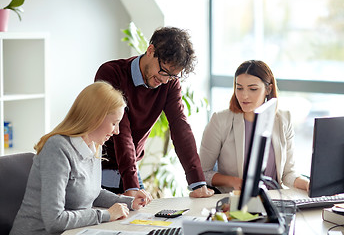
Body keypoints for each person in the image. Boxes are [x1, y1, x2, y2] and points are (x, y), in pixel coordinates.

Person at [10, 81, 151, 235]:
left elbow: (93, 192)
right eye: (114, 123)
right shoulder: (57, 148)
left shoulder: (94, 145)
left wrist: (129, 202)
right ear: (95, 118)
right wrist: (106, 215)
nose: (117, 131)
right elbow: (55, 221)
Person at [95, 26, 214, 198]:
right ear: (151, 50)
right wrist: (132, 186)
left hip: (131, 172)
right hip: (101, 171)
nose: (165, 80)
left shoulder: (169, 83)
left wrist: (197, 182)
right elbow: (122, 132)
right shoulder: (112, 73)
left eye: (172, 76)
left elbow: (180, 127)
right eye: (164, 71)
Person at [199, 60, 310, 194]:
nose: (244, 95)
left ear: (268, 89)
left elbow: (288, 174)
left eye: (253, 89)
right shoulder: (220, 120)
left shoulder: (283, 120)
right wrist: (234, 181)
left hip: (273, 201)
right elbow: (202, 173)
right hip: (235, 203)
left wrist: (308, 184)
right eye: (239, 88)